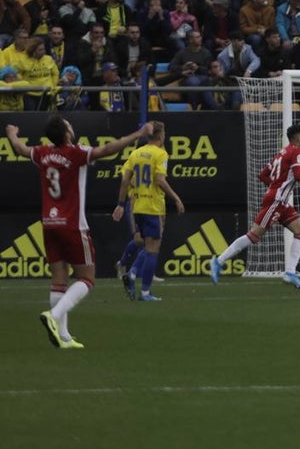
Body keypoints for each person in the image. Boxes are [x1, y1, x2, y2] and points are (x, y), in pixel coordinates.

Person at [6, 117, 152, 348]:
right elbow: (107, 149)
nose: (72, 126)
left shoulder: (42, 153)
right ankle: (53, 316)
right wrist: (138, 134)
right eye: (68, 124)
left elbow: (19, 148)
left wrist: (12, 132)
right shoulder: (75, 153)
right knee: (87, 278)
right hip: (73, 224)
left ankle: (63, 336)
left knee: (59, 280)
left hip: (49, 223)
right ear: (66, 133)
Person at [210, 124, 300, 289]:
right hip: (276, 201)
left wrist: (274, 186)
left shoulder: (281, 153)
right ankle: (218, 261)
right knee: (254, 235)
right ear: (297, 138)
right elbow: (299, 176)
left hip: (280, 201)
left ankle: (290, 272)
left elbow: (263, 175)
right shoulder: (297, 151)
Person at [112, 122, 185, 301]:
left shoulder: (135, 153)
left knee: (146, 244)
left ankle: (132, 274)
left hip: (137, 205)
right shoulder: (161, 154)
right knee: (153, 248)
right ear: (160, 136)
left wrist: (121, 203)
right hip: (153, 205)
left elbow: (124, 180)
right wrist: (176, 198)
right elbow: (160, 180)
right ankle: (144, 291)